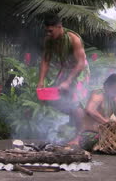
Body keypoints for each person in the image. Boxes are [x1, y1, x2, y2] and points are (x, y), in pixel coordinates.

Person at [38, 15, 90, 145]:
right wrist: (41, 81)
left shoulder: (74, 39)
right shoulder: (49, 40)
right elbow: (46, 60)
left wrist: (68, 82)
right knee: (55, 98)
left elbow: (81, 63)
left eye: (51, 31)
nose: (48, 34)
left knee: (75, 103)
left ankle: (79, 137)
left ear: (59, 27)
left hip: (80, 71)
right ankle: (72, 124)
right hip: (66, 70)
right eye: (47, 31)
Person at [79, 74, 116, 151]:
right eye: (115, 89)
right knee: (112, 144)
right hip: (88, 134)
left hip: (104, 135)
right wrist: (107, 124)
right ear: (107, 85)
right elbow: (89, 109)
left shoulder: (114, 98)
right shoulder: (98, 94)